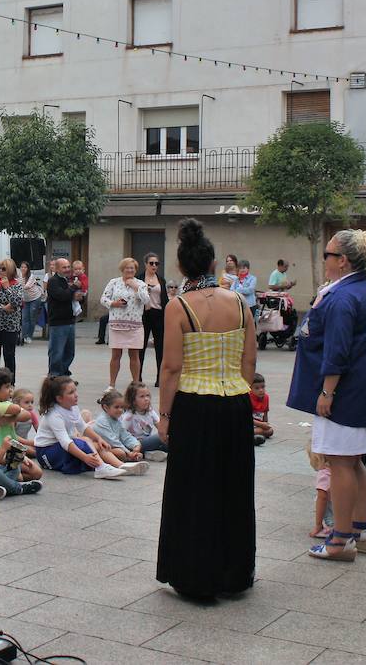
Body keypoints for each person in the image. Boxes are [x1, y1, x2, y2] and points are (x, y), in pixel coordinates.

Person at [155, 218, 258, 595]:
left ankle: (197, 574)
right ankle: (234, 572)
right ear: (214, 264)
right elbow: (249, 361)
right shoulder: (240, 302)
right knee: (234, 486)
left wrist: (164, 416)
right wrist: (240, 390)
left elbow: (170, 367)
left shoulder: (178, 305)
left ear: (182, 267)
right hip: (234, 402)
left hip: (195, 405)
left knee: (194, 488)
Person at [287, 228, 366, 563]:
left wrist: (327, 391)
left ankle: (340, 540)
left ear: (343, 261)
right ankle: (362, 530)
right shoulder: (364, 290)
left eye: (327, 255)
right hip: (364, 389)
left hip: (346, 392)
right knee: (355, 462)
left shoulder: (344, 297)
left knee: (341, 464)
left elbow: (338, 349)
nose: (324, 260)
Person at [35, 375, 132, 478]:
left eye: (75, 391)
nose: (76, 395)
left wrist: (98, 438)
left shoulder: (73, 407)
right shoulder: (54, 415)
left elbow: (83, 427)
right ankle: (101, 467)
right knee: (82, 443)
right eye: (71, 393)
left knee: (93, 444)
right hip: (46, 453)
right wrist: (85, 457)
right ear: (59, 398)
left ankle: (120, 465)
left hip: (62, 447)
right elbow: (65, 442)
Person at [100, 257, 151, 388]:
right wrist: (113, 303)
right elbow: (103, 298)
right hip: (116, 324)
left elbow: (146, 300)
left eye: (132, 268)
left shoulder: (141, 283)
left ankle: (136, 384)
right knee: (116, 355)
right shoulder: (114, 282)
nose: (130, 270)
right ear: (122, 269)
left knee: (134, 355)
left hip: (134, 324)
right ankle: (111, 384)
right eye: (127, 268)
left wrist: (136, 288)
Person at [89, 389, 150, 467]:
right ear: (106, 407)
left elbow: (125, 435)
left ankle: (130, 457)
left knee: (126, 449)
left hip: (110, 446)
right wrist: (129, 452)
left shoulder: (116, 419)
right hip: (97, 447)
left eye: (122, 407)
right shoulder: (102, 421)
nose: (120, 410)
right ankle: (127, 459)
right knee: (120, 452)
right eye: (116, 407)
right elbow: (112, 440)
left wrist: (136, 445)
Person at [0, 259, 24, 376]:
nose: (0, 271)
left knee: (9, 355)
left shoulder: (16, 285)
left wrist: (7, 288)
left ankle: (10, 383)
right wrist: (3, 307)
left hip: (10, 327)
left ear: (11, 270)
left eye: (3, 269)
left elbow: (17, 301)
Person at [45, 258, 80, 377]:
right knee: (57, 351)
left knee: (69, 352)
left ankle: (64, 375)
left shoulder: (67, 281)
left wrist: (80, 297)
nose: (67, 270)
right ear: (57, 268)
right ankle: (54, 375)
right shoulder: (53, 281)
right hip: (58, 322)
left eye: (68, 267)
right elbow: (62, 296)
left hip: (70, 320)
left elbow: (72, 297)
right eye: (64, 267)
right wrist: (74, 287)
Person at [138, 253, 169, 385]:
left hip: (158, 314)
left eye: (157, 263)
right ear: (145, 264)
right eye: (151, 263)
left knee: (160, 347)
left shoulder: (161, 279)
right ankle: (137, 377)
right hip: (143, 315)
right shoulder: (139, 279)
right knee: (140, 347)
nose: (154, 266)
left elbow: (165, 299)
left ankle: (159, 378)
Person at [121, 381, 167, 458]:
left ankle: (149, 454)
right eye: (142, 396)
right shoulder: (129, 416)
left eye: (147, 395)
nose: (146, 399)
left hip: (146, 441)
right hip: (135, 444)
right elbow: (121, 433)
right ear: (133, 400)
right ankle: (145, 453)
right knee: (159, 437)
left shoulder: (150, 411)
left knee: (167, 439)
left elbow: (160, 426)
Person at [20, 262, 42, 344]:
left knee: (32, 318)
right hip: (26, 300)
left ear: (28, 269)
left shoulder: (31, 276)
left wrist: (18, 288)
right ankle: (24, 336)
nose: (23, 269)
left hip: (35, 298)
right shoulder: (19, 277)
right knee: (25, 318)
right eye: (22, 267)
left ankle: (29, 336)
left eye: (25, 267)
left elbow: (27, 286)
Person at [249, 372, 273, 444]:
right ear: (250, 389)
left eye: (263, 387)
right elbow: (245, 418)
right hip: (247, 424)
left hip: (258, 426)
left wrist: (266, 424)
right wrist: (261, 425)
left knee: (270, 431)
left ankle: (253, 437)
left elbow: (265, 412)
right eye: (257, 388)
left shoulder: (266, 397)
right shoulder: (248, 398)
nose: (261, 390)